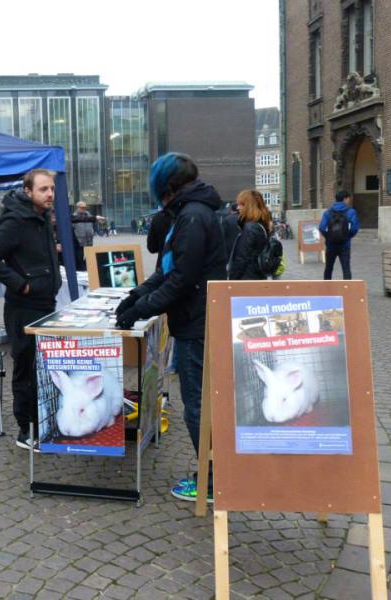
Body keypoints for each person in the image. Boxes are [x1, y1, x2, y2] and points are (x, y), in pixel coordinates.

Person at [114, 153, 227, 503]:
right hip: (194, 319)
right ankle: (214, 473)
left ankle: (211, 481)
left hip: (198, 323)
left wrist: (140, 311)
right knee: (198, 401)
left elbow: (181, 279)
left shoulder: (193, 216)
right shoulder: (187, 213)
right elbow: (165, 273)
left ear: (166, 186)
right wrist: (134, 297)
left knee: (196, 404)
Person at [0, 169, 62, 450]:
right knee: (26, 368)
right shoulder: (16, 219)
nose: (50, 193)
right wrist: (21, 285)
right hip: (24, 308)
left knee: (41, 368)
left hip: (45, 304)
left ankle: (41, 422)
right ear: (28, 192)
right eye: (43, 189)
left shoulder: (41, 218)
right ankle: (25, 430)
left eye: (51, 188)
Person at [227, 190, 274, 280]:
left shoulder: (250, 228)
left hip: (247, 278)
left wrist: (232, 280)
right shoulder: (260, 224)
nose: (238, 208)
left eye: (241, 204)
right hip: (257, 276)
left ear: (249, 206)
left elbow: (242, 258)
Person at [319, 190, 360, 280]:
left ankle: (327, 288)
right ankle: (347, 289)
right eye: (348, 198)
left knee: (328, 269)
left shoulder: (327, 212)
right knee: (346, 269)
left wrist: (328, 237)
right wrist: (347, 236)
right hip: (344, 245)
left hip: (330, 245)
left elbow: (322, 228)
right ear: (345, 199)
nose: (349, 200)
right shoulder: (351, 212)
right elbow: (354, 228)